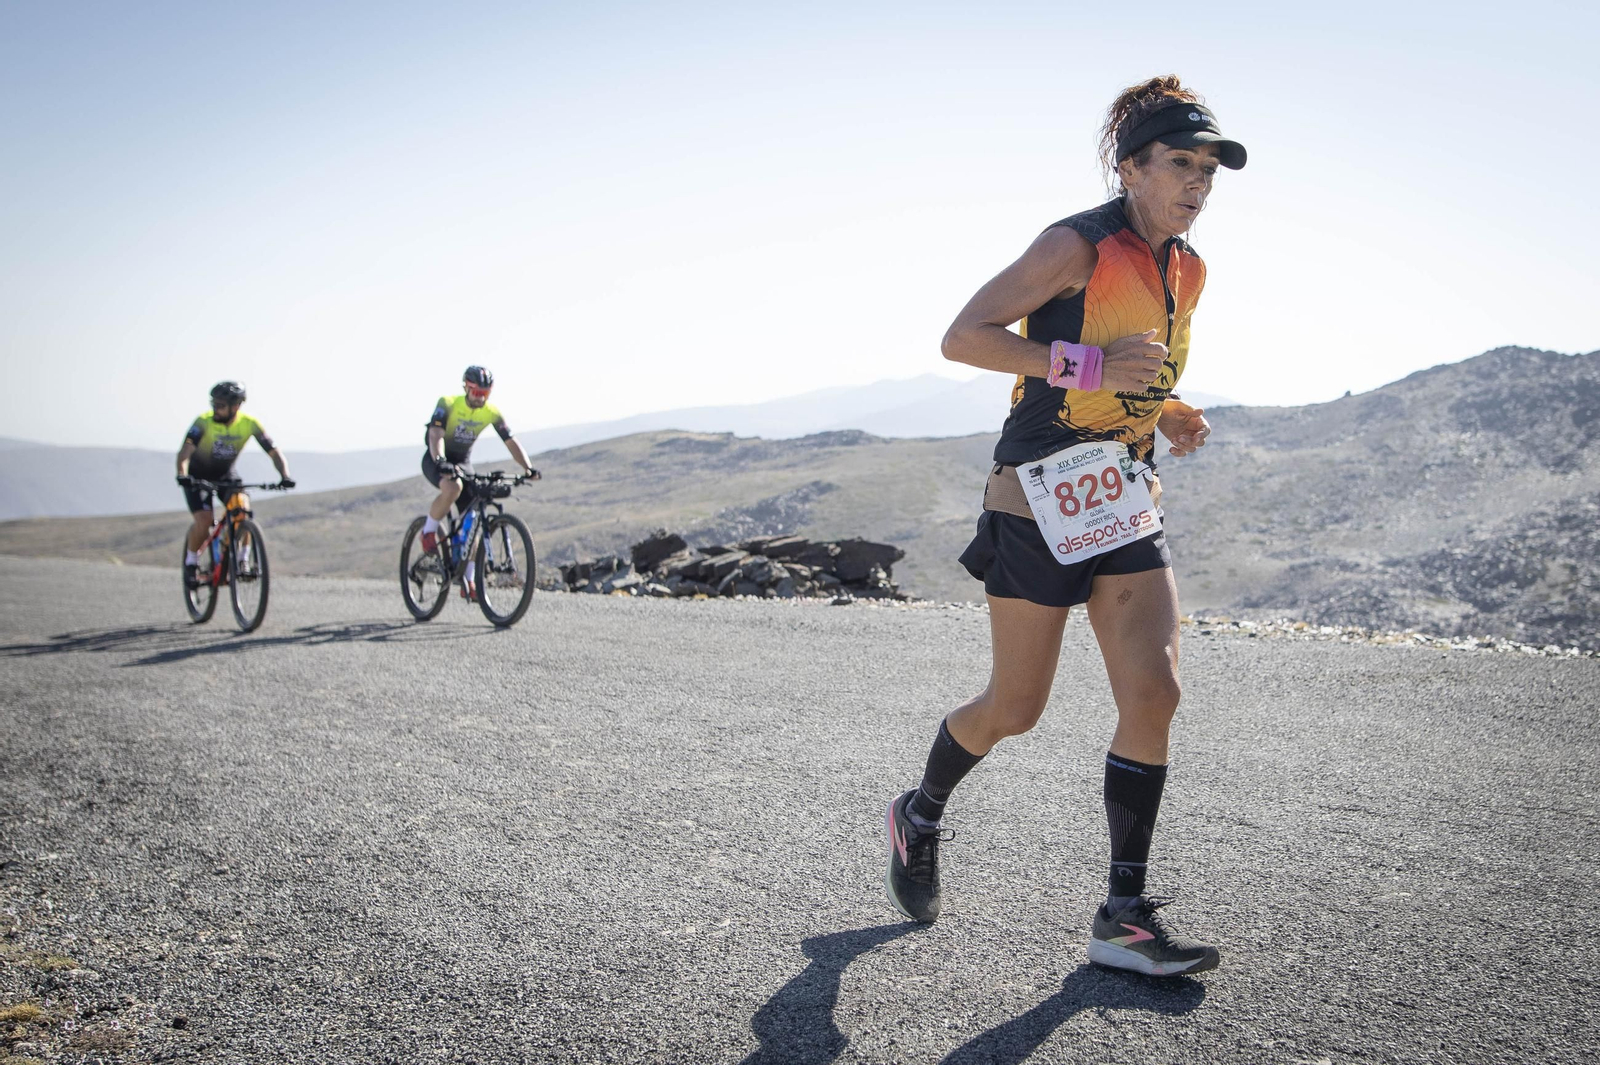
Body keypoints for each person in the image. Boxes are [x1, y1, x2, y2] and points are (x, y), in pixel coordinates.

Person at [883, 75, 1243, 977]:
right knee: (1016, 707)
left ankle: (1122, 915)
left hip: (1121, 492)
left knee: (1154, 692)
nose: (1197, 183)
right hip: (1038, 493)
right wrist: (1088, 364)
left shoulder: (1185, 266)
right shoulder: (1074, 244)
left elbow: (1134, 365)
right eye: (1179, 165)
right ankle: (918, 812)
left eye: (1209, 169)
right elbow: (963, 336)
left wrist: (1165, 409)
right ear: (1132, 168)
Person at [420, 366, 540, 599]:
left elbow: (510, 441)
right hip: (437, 458)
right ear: (466, 387)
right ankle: (428, 531)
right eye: (476, 393)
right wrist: (440, 461)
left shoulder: (491, 412)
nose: (479, 398)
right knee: (453, 487)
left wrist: (528, 468)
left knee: (474, 518)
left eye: (484, 394)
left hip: (463, 462)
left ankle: (470, 580)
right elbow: (436, 435)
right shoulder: (448, 402)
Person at [175, 381, 294, 587]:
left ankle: (243, 560)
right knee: (204, 521)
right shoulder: (203, 422)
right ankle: (192, 562)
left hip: (226, 475)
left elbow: (273, 452)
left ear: (236, 406)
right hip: (197, 476)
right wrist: (182, 474)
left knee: (242, 511)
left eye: (220, 406)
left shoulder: (249, 423)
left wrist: (285, 475)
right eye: (214, 404)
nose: (215, 410)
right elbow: (185, 451)